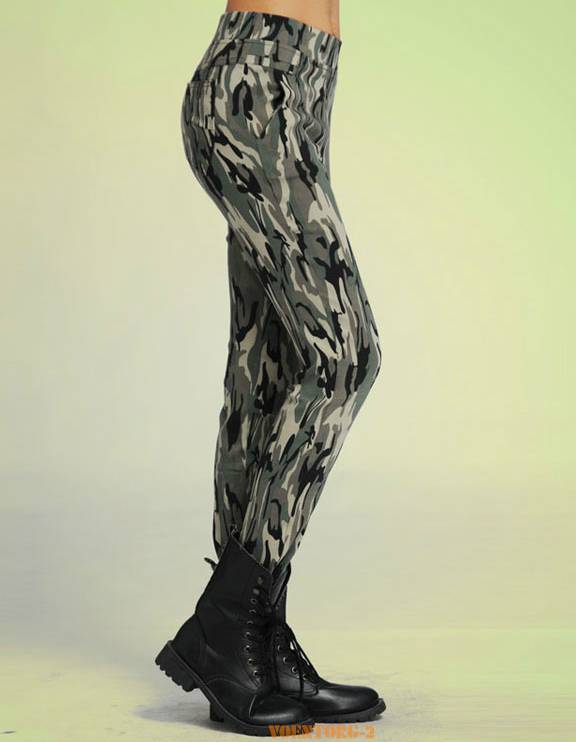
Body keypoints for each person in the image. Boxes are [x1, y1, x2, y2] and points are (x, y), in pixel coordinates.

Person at [155, 2, 385, 735]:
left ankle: (253, 643)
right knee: (345, 356)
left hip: (302, 85)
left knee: (272, 371)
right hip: (258, 80)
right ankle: (228, 620)